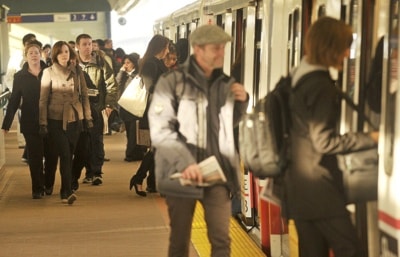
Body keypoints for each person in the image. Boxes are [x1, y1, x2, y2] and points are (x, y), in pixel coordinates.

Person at [148, 24, 248, 257]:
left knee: (222, 240)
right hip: (181, 174)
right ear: (198, 50)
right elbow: (161, 129)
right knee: (180, 241)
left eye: (223, 49)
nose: (222, 54)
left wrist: (242, 102)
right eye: (216, 49)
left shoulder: (224, 83)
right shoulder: (170, 82)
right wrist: (186, 164)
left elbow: (226, 125)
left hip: (217, 173)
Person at [284, 17, 379, 257]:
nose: (348, 54)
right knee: (352, 250)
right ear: (331, 47)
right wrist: (372, 138)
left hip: (297, 186)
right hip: (320, 190)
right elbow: (323, 141)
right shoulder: (320, 86)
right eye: (345, 47)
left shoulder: (298, 79)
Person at [1, 40, 57, 199]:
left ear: (41, 54)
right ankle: (37, 188)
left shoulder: (50, 71)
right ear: (25, 56)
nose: (34, 55)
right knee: (35, 157)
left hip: (51, 119)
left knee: (52, 155)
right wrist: (6, 123)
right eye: (30, 53)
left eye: (36, 52)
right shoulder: (20, 76)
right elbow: (14, 100)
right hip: (30, 121)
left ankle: (48, 183)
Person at [39, 41, 93, 204]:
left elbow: (84, 95)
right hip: (55, 119)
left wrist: (87, 117)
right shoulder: (48, 72)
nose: (64, 55)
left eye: (66, 52)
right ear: (55, 55)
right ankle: (66, 191)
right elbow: (43, 99)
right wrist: (42, 122)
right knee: (64, 153)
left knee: (70, 154)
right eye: (60, 52)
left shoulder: (77, 71)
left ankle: (65, 186)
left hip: (75, 118)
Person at [128, 34, 170, 197]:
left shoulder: (156, 62)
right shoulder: (150, 64)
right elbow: (151, 87)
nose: (167, 51)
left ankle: (151, 182)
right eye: (166, 47)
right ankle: (139, 178)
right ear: (160, 47)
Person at [74, 33, 118, 185]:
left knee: (96, 141)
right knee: (83, 143)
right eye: (84, 44)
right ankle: (88, 172)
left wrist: (109, 105)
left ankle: (97, 172)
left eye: (90, 44)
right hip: (78, 111)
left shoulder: (100, 62)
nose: (88, 47)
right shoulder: (72, 64)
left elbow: (111, 84)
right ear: (77, 46)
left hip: (98, 109)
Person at [116, 53, 145, 162]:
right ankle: (134, 152)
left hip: (135, 105)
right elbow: (116, 83)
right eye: (124, 62)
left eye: (128, 62)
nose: (126, 65)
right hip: (124, 105)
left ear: (134, 63)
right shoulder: (123, 74)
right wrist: (121, 71)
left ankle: (131, 154)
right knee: (129, 131)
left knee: (134, 131)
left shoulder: (138, 75)